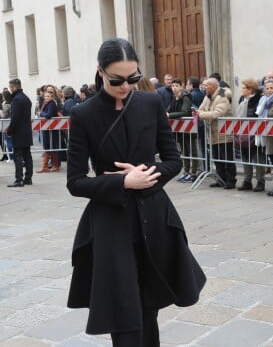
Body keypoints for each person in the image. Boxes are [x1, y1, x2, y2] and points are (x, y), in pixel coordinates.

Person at [66, 38, 205, 346]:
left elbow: (173, 161)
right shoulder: (83, 114)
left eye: (133, 78)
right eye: (117, 80)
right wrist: (122, 183)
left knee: (149, 307)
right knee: (123, 311)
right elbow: (75, 182)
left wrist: (145, 177)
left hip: (153, 217)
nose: (126, 86)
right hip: (111, 223)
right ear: (100, 72)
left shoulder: (151, 103)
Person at [195, 77, 237, 189]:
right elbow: (200, 109)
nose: (204, 87)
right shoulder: (207, 97)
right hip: (212, 133)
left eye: (207, 85)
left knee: (227, 158)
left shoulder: (222, 98)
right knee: (217, 157)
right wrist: (201, 113)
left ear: (214, 86)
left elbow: (217, 113)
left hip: (224, 133)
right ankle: (221, 179)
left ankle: (230, 181)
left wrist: (202, 115)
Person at [236, 78, 265, 192]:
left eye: (243, 88)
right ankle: (247, 181)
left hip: (255, 132)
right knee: (245, 157)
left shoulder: (258, 99)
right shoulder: (242, 100)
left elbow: (257, 115)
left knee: (257, 158)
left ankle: (260, 181)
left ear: (250, 89)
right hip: (243, 132)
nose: (242, 90)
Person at [167, 78, 197, 182]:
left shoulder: (185, 97)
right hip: (179, 129)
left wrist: (169, 115)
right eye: (172, 86)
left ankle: (194, 173)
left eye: (176, 86)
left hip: (189, 128)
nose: (174, 88)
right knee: (184, 151)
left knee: (192, 150)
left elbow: (185, 112)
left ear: (181, 86)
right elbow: (169, 109)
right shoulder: (173, 97)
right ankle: (186, 171)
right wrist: (165, 113)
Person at [6, 78, 34, 187]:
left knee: (17, 155)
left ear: (14, 87)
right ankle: (28, 178)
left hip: (19, 132)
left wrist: (10, 130)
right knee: (27, 155)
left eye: (10, 87)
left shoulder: (17, 99)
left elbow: (15, 117)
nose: (10, 89)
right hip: (26, 131)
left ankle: (19, 179)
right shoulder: (26, 98)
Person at [38, 89, 61, 172]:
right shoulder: (46, 104)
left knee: (52, 146)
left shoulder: (51, 104)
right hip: (46, 129)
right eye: (45, 96)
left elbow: (48, 115)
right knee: (47, 146)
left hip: (51, 129)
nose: (46, 98)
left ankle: (56, 165)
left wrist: (41, 113)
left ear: (52, 97)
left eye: (48, 96)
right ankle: (45, 166)